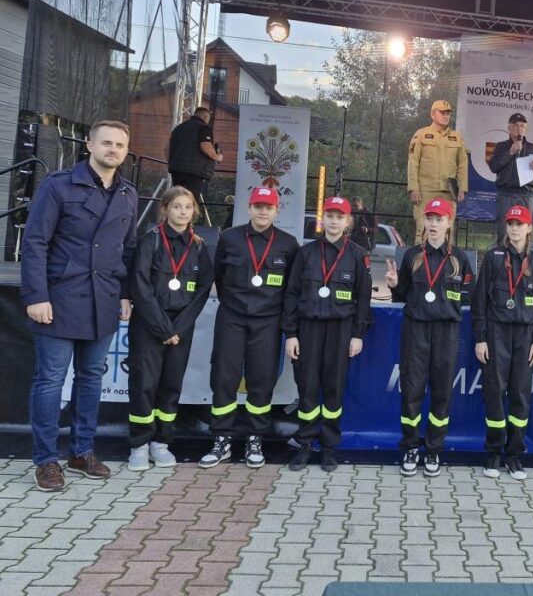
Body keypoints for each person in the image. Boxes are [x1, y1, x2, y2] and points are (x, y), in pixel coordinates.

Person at [22, 120, 137, 491]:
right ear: (89, 145)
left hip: (103, 300)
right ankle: (45, 460)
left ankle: (82, 451)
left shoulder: (128, 194)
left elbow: (127, 248)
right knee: (50, 381)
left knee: (91, 379)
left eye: (120, 145)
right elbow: (35, 243)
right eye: (106, 142)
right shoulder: (58, 185)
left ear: (125, 151)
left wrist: (125, 293)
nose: (113, 149)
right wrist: (36, 296)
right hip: (59, 298)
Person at [200, 186, 299, 469]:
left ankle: (255, 438)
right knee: (224, 378)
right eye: (258, 206)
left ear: (276, 211)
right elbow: (219, 275)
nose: (263, 212)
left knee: (261, 379)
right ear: (249, 208)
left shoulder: (288, 244)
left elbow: (292, 289)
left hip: (268, 321)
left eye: (268, 207)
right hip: (232, 317)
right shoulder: (229, 238)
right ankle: (222, 438)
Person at [385, 197, 474, 478]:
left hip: (447, 332)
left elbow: (468, 297)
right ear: (424, 222)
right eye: (430, 218)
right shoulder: (412, 256)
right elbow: (402, 294)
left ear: (449, 223)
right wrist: (394, 285)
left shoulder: (460, 259)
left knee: (441, 391)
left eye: (439, 219)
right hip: (416, 330)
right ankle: (411, 447)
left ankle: (434, 449)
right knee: (412, 390)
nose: (433, 224)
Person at [126, 186, 214, 471]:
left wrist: (178, 328)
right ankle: (139, 445)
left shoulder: (199, 246)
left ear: (194, 211)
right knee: (144, 385)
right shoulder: (150, 241)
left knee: (171, 385)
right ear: (165, 210)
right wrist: (164, 329)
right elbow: (140, 286)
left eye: (188, 207)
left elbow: (202, 291)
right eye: (177, 206)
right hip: (150, 326)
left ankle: (161, 443)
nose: (183, 212)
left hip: (180, 329)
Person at [283, 196, 372, 472]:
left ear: (348, 221)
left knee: (334, 388)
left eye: (340, 217)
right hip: (308, 329)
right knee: (307, 387)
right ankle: (305, 443)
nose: (334, 221)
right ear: (322, 220)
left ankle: (329, 446)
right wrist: (291, 333)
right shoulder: (305, 253)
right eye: (330, 216)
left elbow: (363, 298)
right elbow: (291, 294)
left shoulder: (358, 255)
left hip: (340, 330)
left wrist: (357, 335)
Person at [471, 205, 533, 480]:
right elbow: (479, 301)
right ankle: (493, 453)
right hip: (497, 333)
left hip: (526, 336)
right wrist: (481, 338)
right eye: (511, 224)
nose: (514, 229)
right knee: (494, 393)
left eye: (520, 224)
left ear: (529, 228)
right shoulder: (493, 257)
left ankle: (514, 454)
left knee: (521, 395)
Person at [407, 100, 468, 238]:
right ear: (432, 114)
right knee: (423, 231)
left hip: (449, 192)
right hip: (425, 190)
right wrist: (413, 188)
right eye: (442, 113)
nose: (446, 116)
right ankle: (421, 253)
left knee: (447, 232)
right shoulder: (421, 134)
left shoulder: (457, 137)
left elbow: (463, 164)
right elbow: (413, 162)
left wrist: (462, 188)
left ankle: (446, 253)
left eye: (448, 113)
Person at [487, 113, 533, 241]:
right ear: (509, 128)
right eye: (515, 125)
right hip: (506, 195)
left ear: (526, 129)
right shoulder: (501, 146)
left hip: (526, 195)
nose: (519, 129)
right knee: (504, 232)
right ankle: (503, 254)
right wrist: (510, 153)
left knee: (525, 233)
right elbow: (493, 167)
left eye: (522, 126)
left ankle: (523, 254)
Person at [167, 107, 223, 205]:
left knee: (177, 198)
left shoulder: (178, 128)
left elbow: (166, 149)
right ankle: (188, 214)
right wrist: (218, 156)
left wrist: (173, 162)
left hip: (177, 170)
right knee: (190, 200)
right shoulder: (203, 127)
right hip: (194, 172)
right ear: (205, 117)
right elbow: (205, 147)